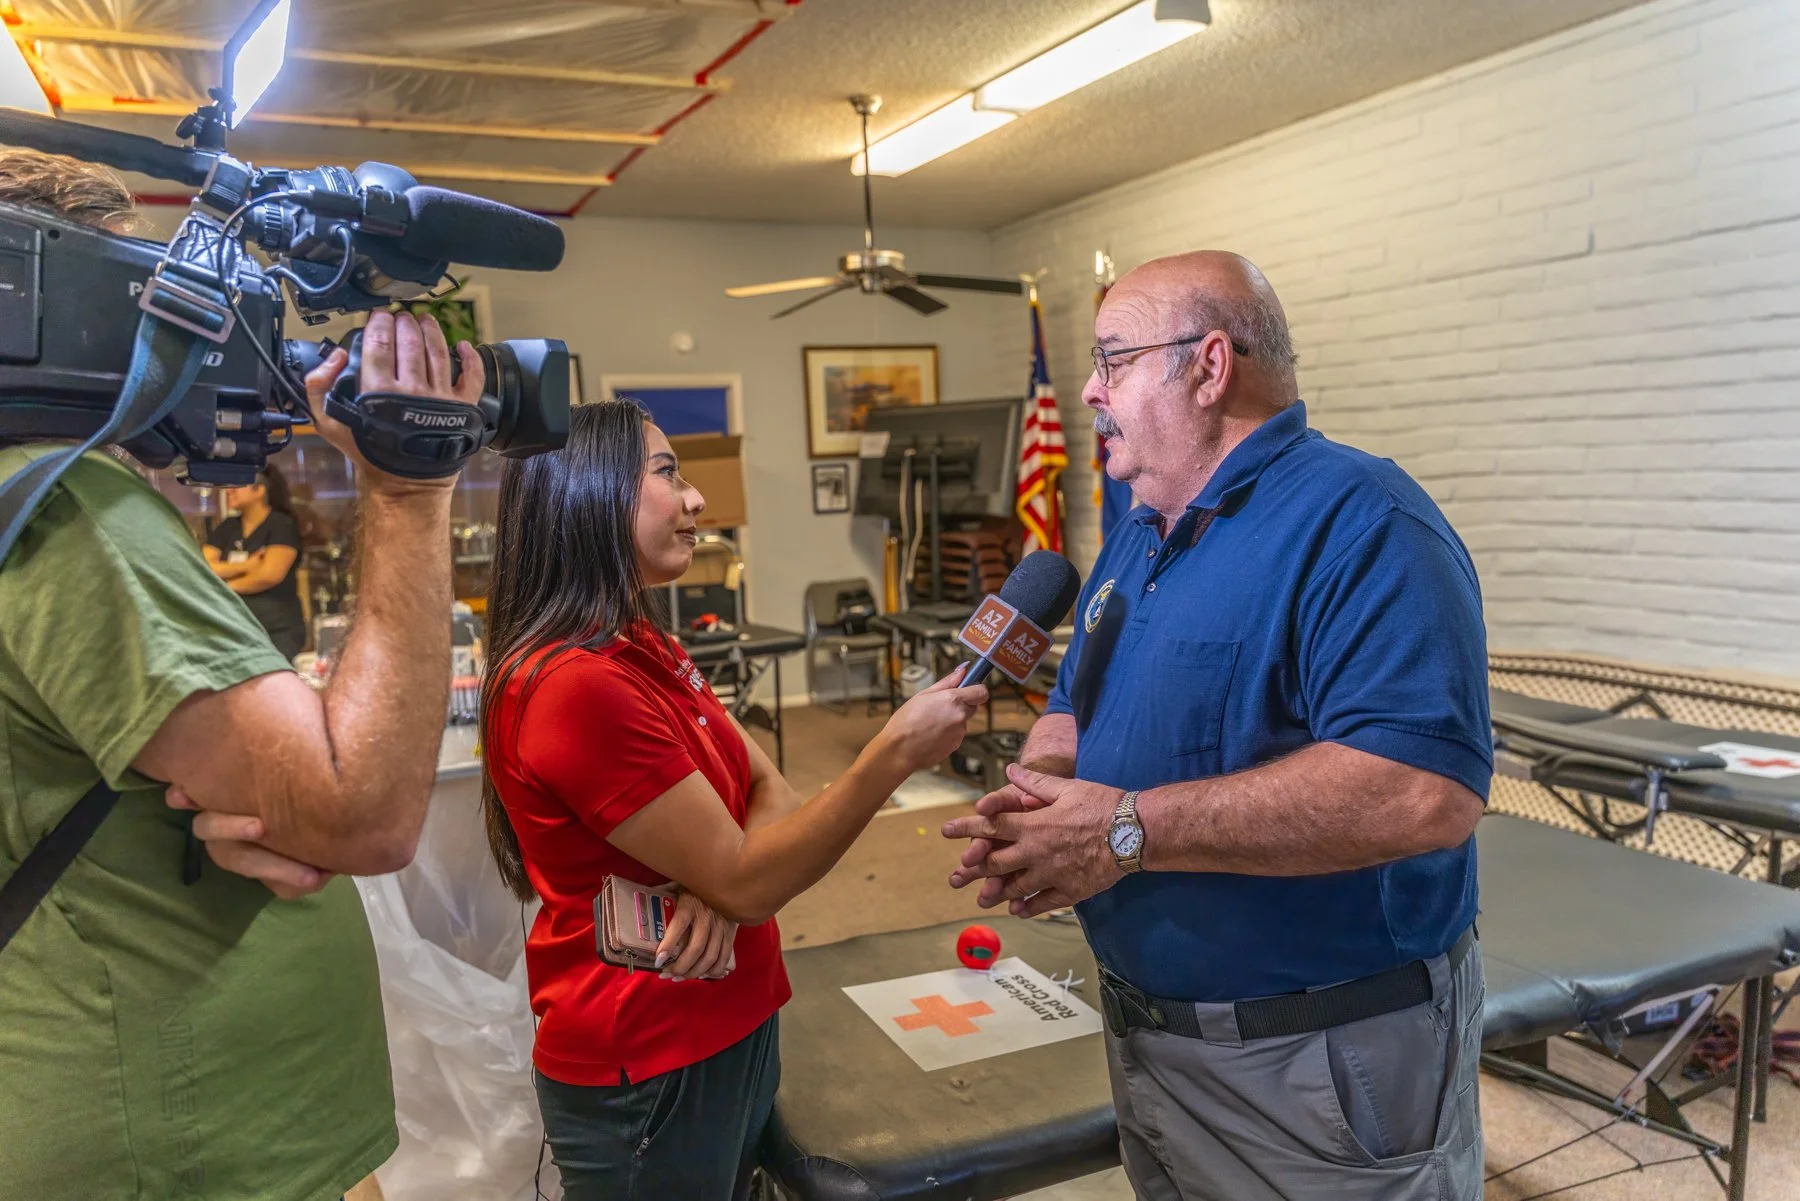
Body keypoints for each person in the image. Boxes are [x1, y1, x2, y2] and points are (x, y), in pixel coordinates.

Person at [943, 250, 1491, 1201]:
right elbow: (1076, 697)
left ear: (1207, 367)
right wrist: (1043, 791)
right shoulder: (1140, 527)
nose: (1089, 390)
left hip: (1317, 1057)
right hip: (1150, 1034)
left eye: (1112, 360)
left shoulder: (1365, 524)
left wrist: (1123, 829)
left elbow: (1420, 792)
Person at [0, 147, 488, 1199]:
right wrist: (410, 491)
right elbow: (360, 811)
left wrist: (251, 785)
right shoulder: (66, 508)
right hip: (190, 1141)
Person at [478, 400, 988, 1201]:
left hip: (731, 1017)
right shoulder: (573, 684)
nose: (696, 499)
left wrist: (718, 886)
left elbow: (768, 788)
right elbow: (751, 876)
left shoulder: (642, 640)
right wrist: (892, 752)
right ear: (591, 494)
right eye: (667, 472)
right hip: (652, 1056)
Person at [203, 463, 309, 659]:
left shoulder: (281, 524)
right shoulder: (228, 526)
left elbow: (268, 575)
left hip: (276, 631)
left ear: (259, 490)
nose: (229, 491)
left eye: (237, 485)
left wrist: (224, 587)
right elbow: (204, 567)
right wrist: (247, 566)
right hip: (236, 629)